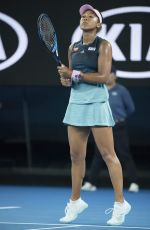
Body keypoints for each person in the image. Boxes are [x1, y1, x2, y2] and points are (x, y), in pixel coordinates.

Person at [57, 4, 131, 226]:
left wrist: (73, 74)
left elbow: (104, 77)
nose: (85, 19)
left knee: (109, 155)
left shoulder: (104, 45)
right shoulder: (73, 47)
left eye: (90, 17)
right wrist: (66, 79)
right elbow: (72, 80)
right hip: (77, 104)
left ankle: (120, 205)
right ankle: (75, 201)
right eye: (83, 16)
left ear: (98, 24)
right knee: (75, 157)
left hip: (97, 103)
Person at [82, 66, 139, 192]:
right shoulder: (99, 89)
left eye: (110, 74)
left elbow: (131, 108)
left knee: (124, 153)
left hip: (119, 127)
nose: (108, 76)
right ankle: (91, 183)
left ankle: (134, 182)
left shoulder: (122, 90)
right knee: (99, 154)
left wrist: (119, 118)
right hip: (102, 126)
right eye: (106, 74)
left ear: (115, 76)